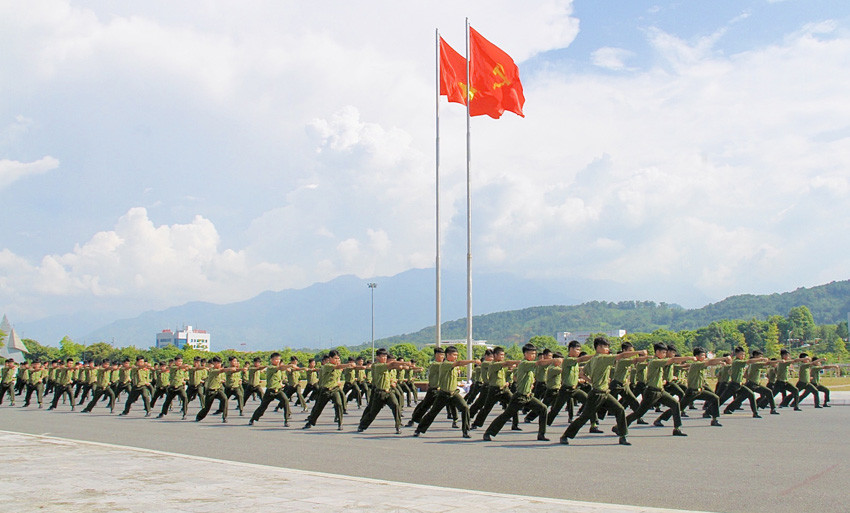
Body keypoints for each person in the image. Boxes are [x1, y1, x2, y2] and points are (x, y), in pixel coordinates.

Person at [561, 338, 647, 445]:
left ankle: (623, 435)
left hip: (604, 393)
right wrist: (638, 352)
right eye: (605, 347)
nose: (607, 349)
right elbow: (621, 356)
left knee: (620, 409)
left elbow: (582, 373)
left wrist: (591, 381)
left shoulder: (593, 359)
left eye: (607, 347)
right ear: (598, 347)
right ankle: (566, 435)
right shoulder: (602, 358)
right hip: (597, 394)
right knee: (585, 416)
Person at [483, 344, 560, 442]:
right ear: (525, 354)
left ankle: (541, 434)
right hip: (519, 396)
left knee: (543, 408)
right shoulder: (524, 363)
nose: (533, 355)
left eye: (534, 353)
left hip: (528, 396)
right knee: (506, 415)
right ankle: (488, 433)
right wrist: (553, 360)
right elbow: (540, 363)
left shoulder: (530, 365)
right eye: (531, 353)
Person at [413, 346, 479, 438]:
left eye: (457, 355)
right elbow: (459, 363)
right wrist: (473, 361)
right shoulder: (445, 364)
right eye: (454, 355)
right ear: (448, 355)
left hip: (454, 393)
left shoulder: (454, 366)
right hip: (443, 394)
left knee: (465, 408)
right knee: (433, 413)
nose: (456, 357)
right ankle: (419, 430)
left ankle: (465, 431)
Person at [658, 347, 727, 427]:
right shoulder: (696, 364)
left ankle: (714, 419)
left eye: (704, 355)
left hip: (700, 391)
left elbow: (711, 363)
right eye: (702, 355)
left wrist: (720, 363)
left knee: (715, 398)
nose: (704, 357)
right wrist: (724, 358)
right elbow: (710, 362)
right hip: (692, 392)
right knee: (679, 407)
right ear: (696, 356)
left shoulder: (701, 364)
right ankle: (660, 419)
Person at [357, 348, 410, 434]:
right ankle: (362, 426)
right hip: (379, 393)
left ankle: (398, 426)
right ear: (377, 357)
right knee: (373, 412)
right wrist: (405, 363)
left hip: (388, 392)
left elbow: (393, 366)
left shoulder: (385, 366)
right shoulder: (377, 366)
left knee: (396, 406)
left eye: (386, 356)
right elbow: (392, 364)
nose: (385, 358)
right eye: (383, 356)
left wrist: (404, 366)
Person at [304, 350, 353, 431]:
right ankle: (310, 422)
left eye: (338, 358)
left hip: (334, 390)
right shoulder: (327, 366)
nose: (337, 360)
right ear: (330, 358)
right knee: (318, 408)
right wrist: (348, 365)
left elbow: (338, 373)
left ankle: (340, 423)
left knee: (339, 404)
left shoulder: (338, 367)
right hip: (325, 390)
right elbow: (337, 367)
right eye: (335, 358)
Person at [546, 341, 591, 427]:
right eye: (577, 349)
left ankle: (594, 424)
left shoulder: (575, 363)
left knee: (589, 402)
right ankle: (545, 424)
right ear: (571, 349)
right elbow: (580, 359)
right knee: (555, 409)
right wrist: (595, 356)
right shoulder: (567, 360)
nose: (578, 352)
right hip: (566, 389)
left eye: (579, 350)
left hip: (574, 389)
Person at [248, 353, 299, 426]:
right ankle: (253, 419)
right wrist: (290, 365)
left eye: (279, 359)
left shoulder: (279, 370)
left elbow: (279, 377)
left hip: (278, 390)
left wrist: (280, 384)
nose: (278, 361)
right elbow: (281, 368)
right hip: (270, 391)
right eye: (276, 359)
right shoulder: (271, 367)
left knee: (285, 400)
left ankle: (286, 419)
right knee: (263, 407)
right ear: (271, 360)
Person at [718, 347, 769, 418]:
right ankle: (709, 411)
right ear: (737, 354)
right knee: (721, 400)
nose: (743, 356)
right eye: (741, 354)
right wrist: (761, 359)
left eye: (744, 355)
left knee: (751, 394)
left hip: (739, 385)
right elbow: (749, 361)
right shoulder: (737, 362)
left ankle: (755, 413)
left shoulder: (738, 362)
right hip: (733, 385)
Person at [725, 350, 779, 415]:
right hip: (752, 384)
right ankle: (768, 408)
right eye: (759, 357)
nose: (761, 358)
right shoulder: (755, 364)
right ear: (755, 356)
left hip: (752, 383)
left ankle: (729, 409)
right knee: (742, 397)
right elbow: (767, 364)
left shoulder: (752, 364)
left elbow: (745, 374)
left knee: (742, 398)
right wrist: (778, 361)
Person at [408, 348, 446, 428]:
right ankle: (414, 420)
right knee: (425, 406)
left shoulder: (443, 365)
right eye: (440, 355)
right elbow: (445, 366)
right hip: (434, 390)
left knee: (452, 404)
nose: (442, 357)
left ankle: (455, 420)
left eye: (443, 355)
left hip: (442, 390)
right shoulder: (435, 364)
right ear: (436, 355)